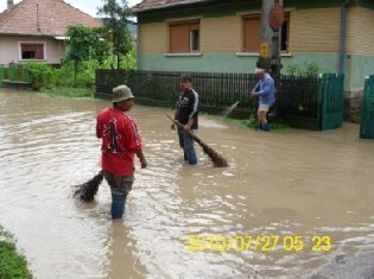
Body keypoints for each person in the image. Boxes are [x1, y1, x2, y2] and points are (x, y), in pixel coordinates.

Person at [96, 84, 147, 219]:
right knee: (121, 193)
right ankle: (117, 224)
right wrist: (142, 159)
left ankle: (115, 214)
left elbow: (99, 134)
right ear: (121, 102)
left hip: (107, 164)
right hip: (122, 167)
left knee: (114, 188)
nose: (132, 103)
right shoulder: (128, 121)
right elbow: (135, 146)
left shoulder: (102, 114)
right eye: (129, 100)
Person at [171, 74, 199, 165]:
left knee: (188, 146)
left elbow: (194, 111)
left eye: (185, 82)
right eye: (182, 82)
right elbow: (178, 108)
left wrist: (188, 125)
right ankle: (186, 163)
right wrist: (174, 121)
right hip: (180, 124)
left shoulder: (193, 95)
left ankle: (193, 165)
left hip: (188, 126)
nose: (183, 84)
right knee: (182, 145)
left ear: (190, 83)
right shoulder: (181, 94)